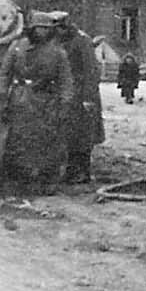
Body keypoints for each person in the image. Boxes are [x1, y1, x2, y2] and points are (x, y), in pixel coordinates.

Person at [0, 11, 75, 194]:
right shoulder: (17, 47)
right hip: (20, 100)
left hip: (45, 102)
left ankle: (42, 181)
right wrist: (2, 96)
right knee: (16, 141)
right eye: (39, 28)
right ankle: (16, 179)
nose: (42, 33)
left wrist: (64, 104)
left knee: (44, 142)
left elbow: (66, 81)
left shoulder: (58, 53)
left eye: (47, 29)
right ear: (32, 28)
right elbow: (4, 72)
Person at [51, 11, 104, 184]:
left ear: (64, 26)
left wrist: (88, 97)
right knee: (69, 135)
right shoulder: (58, 41)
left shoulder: (82, 41)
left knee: (83, 136)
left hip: (82, 94)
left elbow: (91, 70)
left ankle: (82, 172)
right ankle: (71, 170)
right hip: (67, 93)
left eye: (58, 28)